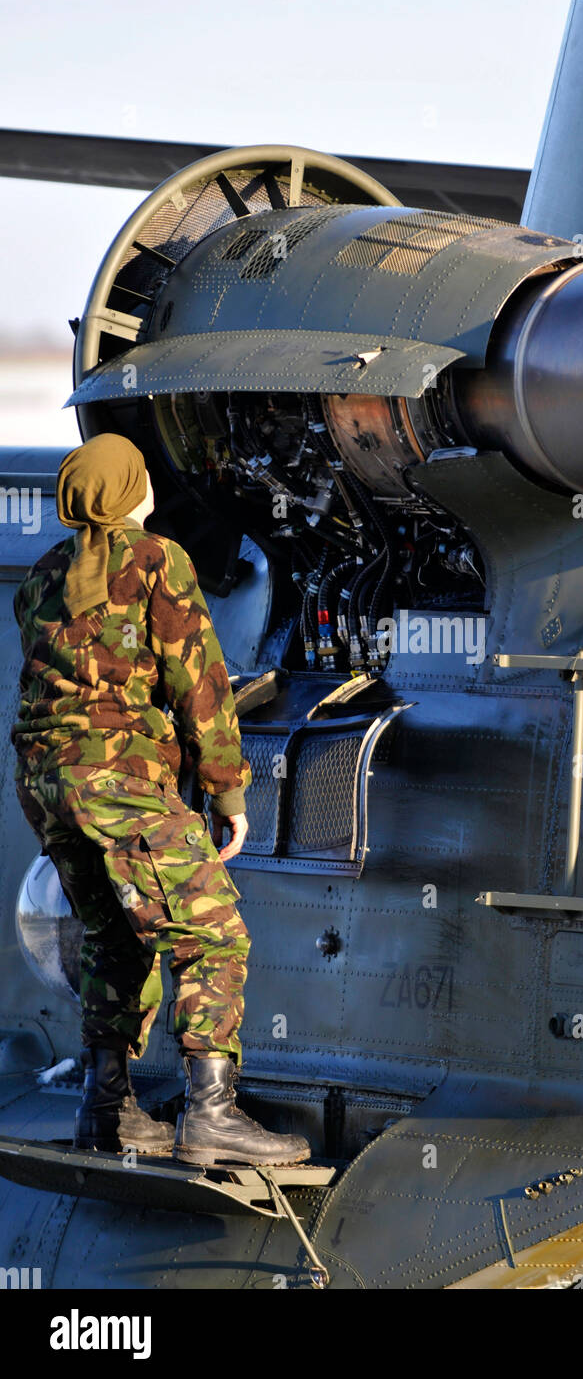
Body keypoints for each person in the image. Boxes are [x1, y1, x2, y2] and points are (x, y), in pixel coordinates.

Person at [11, 433, 310, 1167]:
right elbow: (199, 683)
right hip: (120, 784)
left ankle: (104, 1111)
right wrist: (228, 792)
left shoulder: (44, 575)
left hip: (46, 784)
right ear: (126, 493)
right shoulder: (155, 559)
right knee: (212, 933)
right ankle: (212, 1114)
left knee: (115, 942)